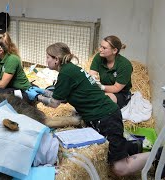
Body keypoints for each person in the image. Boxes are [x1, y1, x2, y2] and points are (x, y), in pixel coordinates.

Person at [25, 42, 163, 177]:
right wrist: (43, 91)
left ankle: (158, 155)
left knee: (119, 169)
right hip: (99, 116)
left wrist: (38, 97)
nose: (46, 60)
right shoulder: (70, 69)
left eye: (48, 57)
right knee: (108, 147)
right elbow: (61, 96)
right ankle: (133, 147)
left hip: (106, 117)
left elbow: (55, 103)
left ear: (56, 59)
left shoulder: (66, 73)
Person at [89, 35, 133, 108]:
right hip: (103, 89)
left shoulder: (125, 65)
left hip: (120, 93)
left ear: (114, 50)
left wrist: (100, 87)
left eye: (104, 48)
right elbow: (92, 74)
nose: (100, 49)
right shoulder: (99, 57)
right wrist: (92, 80)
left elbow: (116, 88)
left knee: (102, 99)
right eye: (100, 46)